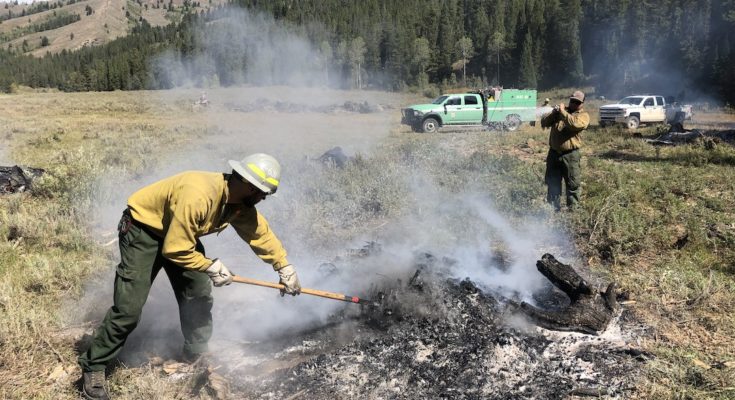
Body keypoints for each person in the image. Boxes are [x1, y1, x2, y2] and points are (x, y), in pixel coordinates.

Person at [78, 154, 301, 400]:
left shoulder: (239, 203)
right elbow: (175, 250)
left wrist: (284, 266)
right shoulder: (198, 195)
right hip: (143, 233)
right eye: (263, 193)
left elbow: (259, 234)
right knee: (128, 310)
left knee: (198, 293)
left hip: (180, 238)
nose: (263, 199)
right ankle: (94, 365)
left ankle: (196, 352)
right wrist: (210, 266)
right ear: (249, 186)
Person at [540, 91, 590, 211]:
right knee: (553, 182)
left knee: (572, 184)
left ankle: (573, 210)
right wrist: (554, 113)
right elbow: (544, 123)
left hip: (570, 155)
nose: (574, 104)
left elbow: (574, 124)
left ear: (582, 103)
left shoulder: (583, 116)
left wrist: (562, 112)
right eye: (572, 101)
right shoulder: (560, 112)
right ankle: (553, 209)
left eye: (577, 102)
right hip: (554, 154)